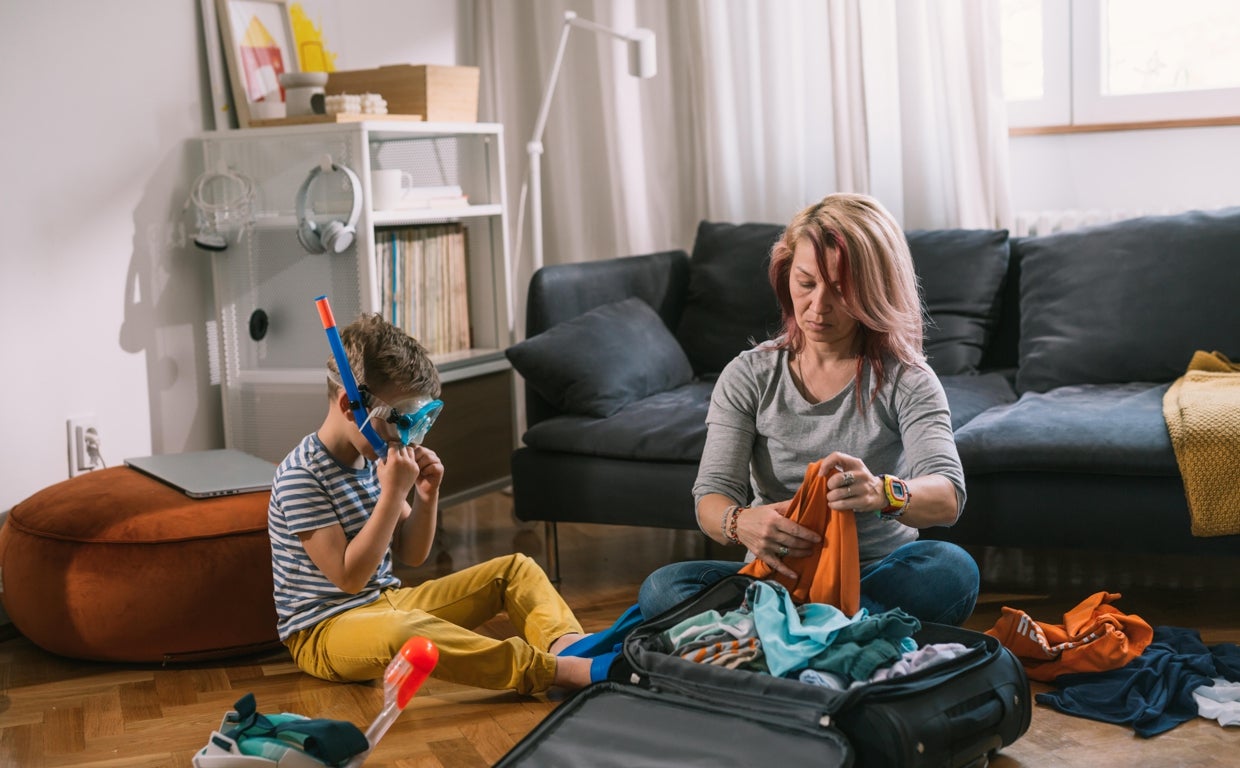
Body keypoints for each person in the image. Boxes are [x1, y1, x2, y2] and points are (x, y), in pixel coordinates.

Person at [638, 193, 979, 625]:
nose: (818, 307)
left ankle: (770, 632)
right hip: (772, 578)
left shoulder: (907, 379)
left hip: (875, 573)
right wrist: (740, 521)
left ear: (875, 292)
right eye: (806, 283)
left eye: (840, 291)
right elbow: (711, 496)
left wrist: (881, 493)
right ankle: (835, 631)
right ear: (786, 277)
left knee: (951, 569)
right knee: (662, 588)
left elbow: (947, 496)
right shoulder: (749, 374)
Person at [269, 313, 599, 695]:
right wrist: (393, 495)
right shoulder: (301, 476)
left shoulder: (377, 460)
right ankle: (550, 670)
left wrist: (426, 495)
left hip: (386, 601)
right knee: (405, 632)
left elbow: (412, 553)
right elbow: (349, 577)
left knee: (515, 570)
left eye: (416, 422)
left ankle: (569, 647)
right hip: (325, 631)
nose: (406, 437)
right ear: (349, 405)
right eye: (398, 420)